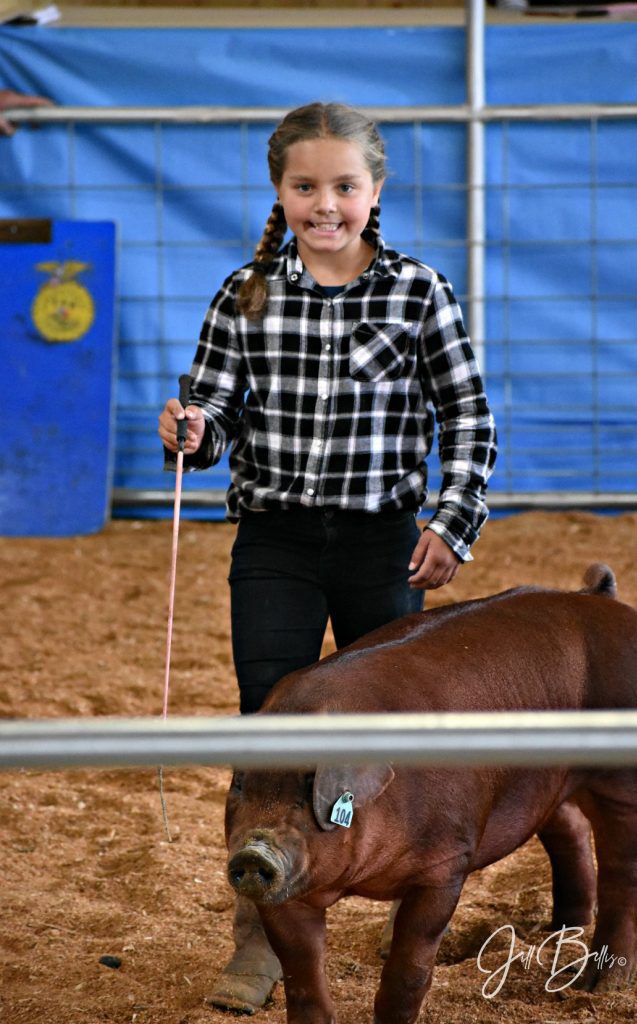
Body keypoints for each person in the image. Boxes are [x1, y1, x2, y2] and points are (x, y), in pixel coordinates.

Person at [158, 101, 496, 1012]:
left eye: (343, 186)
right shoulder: (244, 293)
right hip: (273, 539)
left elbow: (468, 418)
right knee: (269, 720)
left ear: (373, 191)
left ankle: (389, 874)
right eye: (305, 186)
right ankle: (261, 923)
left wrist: (451, 521)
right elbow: (214, 415)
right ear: (280, 191)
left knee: (382, 723)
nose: (325, 204)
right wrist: (191, 430)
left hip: (383, 536)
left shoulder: (419, 292)